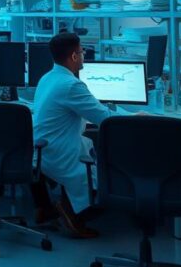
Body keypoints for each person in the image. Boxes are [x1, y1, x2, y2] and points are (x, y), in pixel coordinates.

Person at [31, 32, 117, 238]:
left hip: (44, 150)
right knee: (108, 190)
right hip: (61, 153)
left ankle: (48, 207)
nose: (83, 54)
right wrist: (138, 117)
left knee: (90, 152)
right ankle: (72, 213)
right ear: (74, 56)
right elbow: (104, 119)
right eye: (82, 51)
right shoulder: (71, 85)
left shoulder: (48, 77)